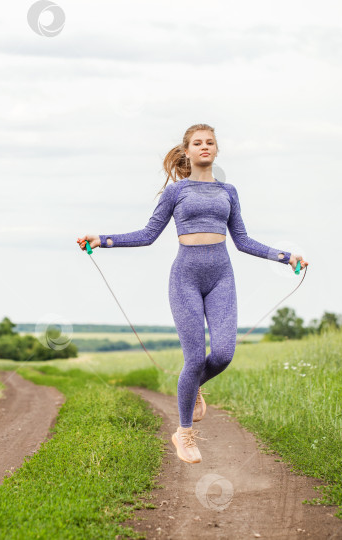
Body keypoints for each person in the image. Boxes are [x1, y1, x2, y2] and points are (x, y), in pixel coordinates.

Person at [77, 123, 309, 464]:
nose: (204, 147)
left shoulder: (229, 191)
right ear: (186, 151)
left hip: (221, 279)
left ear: (216, 150)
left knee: (224, 353)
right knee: (195, 358)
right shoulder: (176, 192)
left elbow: (243, 240)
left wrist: (285, 256)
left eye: (210, 142)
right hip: (184, 278)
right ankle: (183, 433)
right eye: (197, 143)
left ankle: (193, 385)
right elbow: (148, 234)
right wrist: (104, 240)